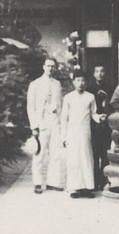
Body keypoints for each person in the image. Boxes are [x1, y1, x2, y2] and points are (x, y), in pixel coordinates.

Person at [61, 70, 107, 198]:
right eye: (78, 80)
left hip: (85, 132)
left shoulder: (90, 97)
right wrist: (63, 136)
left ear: (86, 82)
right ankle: (74, 188)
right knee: (74, 159)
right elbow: (64, 118)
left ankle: (88, 187)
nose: (80, 83)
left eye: (83, 81)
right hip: (72, 132)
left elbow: (93, 114)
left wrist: (99, 118)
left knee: (86, 158)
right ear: (73, 81)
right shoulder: (68, 98)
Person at [26, 57, 64, 194]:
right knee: (39, 153)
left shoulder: (57, 84)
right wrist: (34, 126)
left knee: (56, 154)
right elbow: (31, 107)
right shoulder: (35, 84)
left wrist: (61, 122)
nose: (50, 69)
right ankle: (37, 182)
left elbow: (60, 104)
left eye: (53, 66)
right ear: (43, 67)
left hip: (55, 121)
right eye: (48, 66)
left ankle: (53, 182)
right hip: (42, 122)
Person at [86, 65, 114, 191]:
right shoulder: (89, 88)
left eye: (102, 71)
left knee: (105, 153)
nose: (100, 74)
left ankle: (104, 178)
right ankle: (95, 179)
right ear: (93, 74)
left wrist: (107, 113)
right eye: (97, 71)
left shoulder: (110, 88)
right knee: (94, 153)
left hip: (106, 124)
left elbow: (113, 105)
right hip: (93, 124)